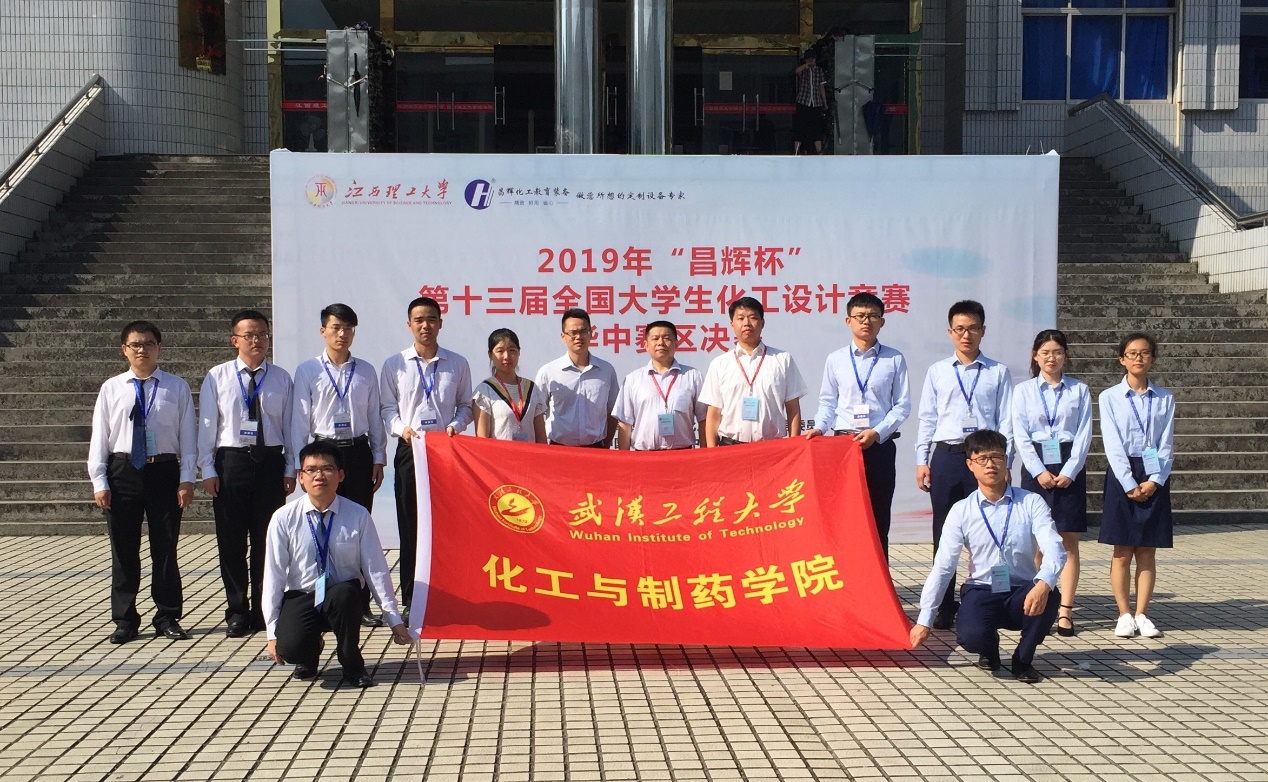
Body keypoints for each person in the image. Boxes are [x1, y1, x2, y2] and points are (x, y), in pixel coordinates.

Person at [909, 429, 1066, 684]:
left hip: (1021, 590)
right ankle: (989, 650)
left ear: (1006, 460)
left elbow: (1055, 548)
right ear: (970, 465)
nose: (990, 464)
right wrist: (924, 620)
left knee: (1049, 595)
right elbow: (943, 567)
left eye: (996, 457)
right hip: (982, 588)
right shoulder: (961, 511)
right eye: (982, 458)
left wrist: (1043, 584)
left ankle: (1023, 659)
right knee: (970, 635)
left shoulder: (1031, 502)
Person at [262, 441, 411, 687]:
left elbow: (375, 568)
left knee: (345, 595)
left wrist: (393, 619)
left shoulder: (358, 515)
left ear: (340, 475)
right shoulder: (283, 518)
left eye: (327, 468)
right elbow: (273, 575)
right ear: (301, 478)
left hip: (342, 596)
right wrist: (271, 631)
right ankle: (309, 653)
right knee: (290, 648)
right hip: (302, 595)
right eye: (311, 470)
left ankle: (352, 664)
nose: (319, 476)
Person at [88, 321, 197, 644]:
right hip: (123, 471)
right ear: (124, 350)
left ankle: (167, 616)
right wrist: (99, 480)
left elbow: (188, 436)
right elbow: (100, 436)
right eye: (135, 344)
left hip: (164, 471)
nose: (142, 350)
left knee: (165, 548)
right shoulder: (112, 388)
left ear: (159, 348)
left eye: (149, 343)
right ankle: (125, 619)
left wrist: (187, 479)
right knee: (124, 550)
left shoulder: (176, 387)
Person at [914, 300, 1013, 630]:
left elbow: (1006, 420)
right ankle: (944, 605)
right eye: (960, 329)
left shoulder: (997, 372)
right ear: (950, 332)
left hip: (985, 458)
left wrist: (1004, 462)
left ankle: (990, 600)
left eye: (972, 328)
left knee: (991, 530)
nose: (966, 335)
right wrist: (922, 460)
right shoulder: (938, 371)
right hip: (947, 457)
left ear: (983, 331)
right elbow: (927, 418)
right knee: (944, 533)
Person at [289, 303, 388, 628]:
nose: (342, 334)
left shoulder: (366, 371)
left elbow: (374, 417)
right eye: (336, 327)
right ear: (323, 331)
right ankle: (322, 597)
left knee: (357, 527)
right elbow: (299, 420)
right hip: (323, 452)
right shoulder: (308, 370)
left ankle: (360, 604)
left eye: (348, 328)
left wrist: (378, 457)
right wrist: (298, 465)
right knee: (321, 526)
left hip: (358, 453)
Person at [199, 309, 295, 637]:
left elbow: (289, 426)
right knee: (231, 541)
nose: (257, 341)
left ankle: (265, 609)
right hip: (231, 463)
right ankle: (237, 610)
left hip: (270, 463)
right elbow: (208, 425)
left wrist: (290, 466)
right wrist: (208, 468)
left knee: (268, 541)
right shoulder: (217, 376)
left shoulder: (281, 378)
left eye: (262, 335)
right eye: (249, 335)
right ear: (234, 340)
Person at [380, 296, 473, 615]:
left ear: (440, 323)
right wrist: (402, 429)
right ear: (409, 325)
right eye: (419, 320)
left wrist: (455, 426)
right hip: (411, 450)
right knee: (410, 527)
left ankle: (449, 596)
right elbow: (387, 408)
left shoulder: (457, 363)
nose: (425, 326)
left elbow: (466, 406)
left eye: (431, 319)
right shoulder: (395, 364)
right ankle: (412, 600)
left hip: (445, 451)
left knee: (445, 527)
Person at [804, 293, 910, 557]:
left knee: (878, 518)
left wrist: (877, 432)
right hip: (843, 447)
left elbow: (902, 405)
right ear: (848, 320)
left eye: (873, 316)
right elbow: (828, 402)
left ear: (882, 321)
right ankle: (847, 576)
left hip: (879, 446)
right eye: (860, 316)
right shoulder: (836, 359)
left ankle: (879, 578)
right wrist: (820, 428)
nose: (866, 321)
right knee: (843, 516)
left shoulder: (894, 359)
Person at [1010, 329, 1091, 637]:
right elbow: (1020, 435)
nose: (1051, 358)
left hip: (1070, 464)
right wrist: (1038, 470)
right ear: (1035, 356)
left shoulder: (1079, 390)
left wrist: (1070, 469)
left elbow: (1083, 434)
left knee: (1068, 541)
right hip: (1037, 466)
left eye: (1057, 352)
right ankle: (1038, 603)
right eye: (1045, 352)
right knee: (1036, 539)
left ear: (1065, 355)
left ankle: (1066, 610)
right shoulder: (1024, 391)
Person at [1098, 332, 1175, 639]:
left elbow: (1166, 444)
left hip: (1154, 471)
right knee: (1122, 550)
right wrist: (1129, 483)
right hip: (1123, 472)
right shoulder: (1109, 397)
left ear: (1152, 359)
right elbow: (1112, 443)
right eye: (1132, 353)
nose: (1138, 358)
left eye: (1144, 353)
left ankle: (1142, 613)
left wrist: (1155, 481)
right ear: (1122, 359)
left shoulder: (1165, 398)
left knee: (1146, 550)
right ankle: (1124, 614)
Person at [700, 296, 808, 446]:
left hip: (771, 448)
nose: (746, 323)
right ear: (732, 324)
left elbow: (793, 408)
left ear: (762, 323)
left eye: (752, 318)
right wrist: (712, 452)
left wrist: (793, 446)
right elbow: (713, 413)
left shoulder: (782, 360)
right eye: (740, 318)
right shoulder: (719, 364)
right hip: (730, 448)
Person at [614, 321, 707, 451]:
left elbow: (704, 420)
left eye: (666, 338)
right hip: (644, 456)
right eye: (655, 338)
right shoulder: (633, 379)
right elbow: (625, 423)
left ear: (676, 344)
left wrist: (705, 455)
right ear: (646, 345)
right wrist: (624, 459)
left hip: (682, 454)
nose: (660, 343)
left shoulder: (692, 376)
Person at [534, 308, 620, 448]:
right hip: (559, 449)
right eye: (573, 333)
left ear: (591, 334)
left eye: (583, 331)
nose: (578, 337)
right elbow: (536, 413)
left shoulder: (606, 370)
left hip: (596, 448)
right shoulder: (548, 372)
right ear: (563, 336)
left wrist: (606, 444)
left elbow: (613, 411)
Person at [474, 328, 548, 443]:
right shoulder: (485, 391)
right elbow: (482, 441)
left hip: (528, 454)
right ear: (490, 355)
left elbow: (541, 438)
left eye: (512, 350)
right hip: (500, 454)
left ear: (519, 352)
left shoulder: (532, 388)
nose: (507, 356)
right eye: (500, 351)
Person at [793, 49, 828, 155]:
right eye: (809, 59)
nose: (811, 60)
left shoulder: (819, 71)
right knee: (800, 127)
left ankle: (819, 151)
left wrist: (825, 103)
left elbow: (821, 88)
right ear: (805, 59)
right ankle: (796, 151)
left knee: (817, 127)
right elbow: (796, 71)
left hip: (816, 102)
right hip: (803, 101)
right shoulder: (803, 70)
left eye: (813, 59)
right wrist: (806, 65)